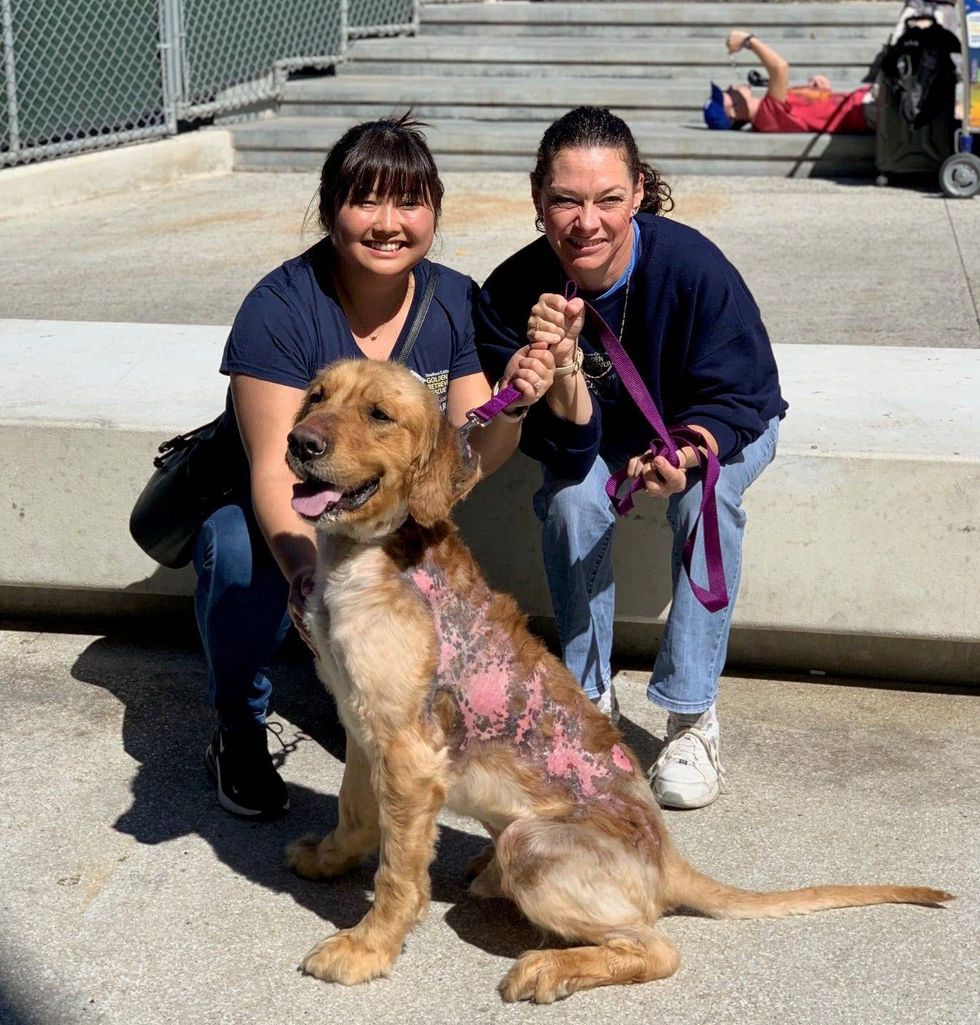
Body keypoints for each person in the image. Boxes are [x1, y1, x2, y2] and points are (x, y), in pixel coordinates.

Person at [196, 115, 554, 819]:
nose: (389, 223)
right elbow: (274, 470)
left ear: (434, 212)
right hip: (294, 507)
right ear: (331, 210)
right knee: (234, 548)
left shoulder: (455, 301)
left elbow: (469, 448)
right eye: (366, 200)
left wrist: (512, 406)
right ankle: (239, 725)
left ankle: (389, 692)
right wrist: (307, 579)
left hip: (385, 512)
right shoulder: (279, 308)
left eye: (410, 202)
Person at [476, 106, 786, 810]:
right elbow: (564, 451)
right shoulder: (508, 295)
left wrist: (695, 447)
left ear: (638, 193)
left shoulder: (694, 267)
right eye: (566, 200)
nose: (588, 222)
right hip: (605, 433)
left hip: (719, 424)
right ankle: (588, 705)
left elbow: (744, 394)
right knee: (571, 499)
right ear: (537, 200)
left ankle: (691, 715)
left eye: (608, 199)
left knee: (705, 498)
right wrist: (558, 370)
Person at [704, 29, 876, 134]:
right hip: (864, 110)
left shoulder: (770, 106)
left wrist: (820, 92)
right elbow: (780, 68)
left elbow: (814, 112)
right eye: (725, 94)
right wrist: (748, 41)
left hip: (862, 100)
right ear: (733, 113)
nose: (730, 88)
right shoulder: (766, 117)